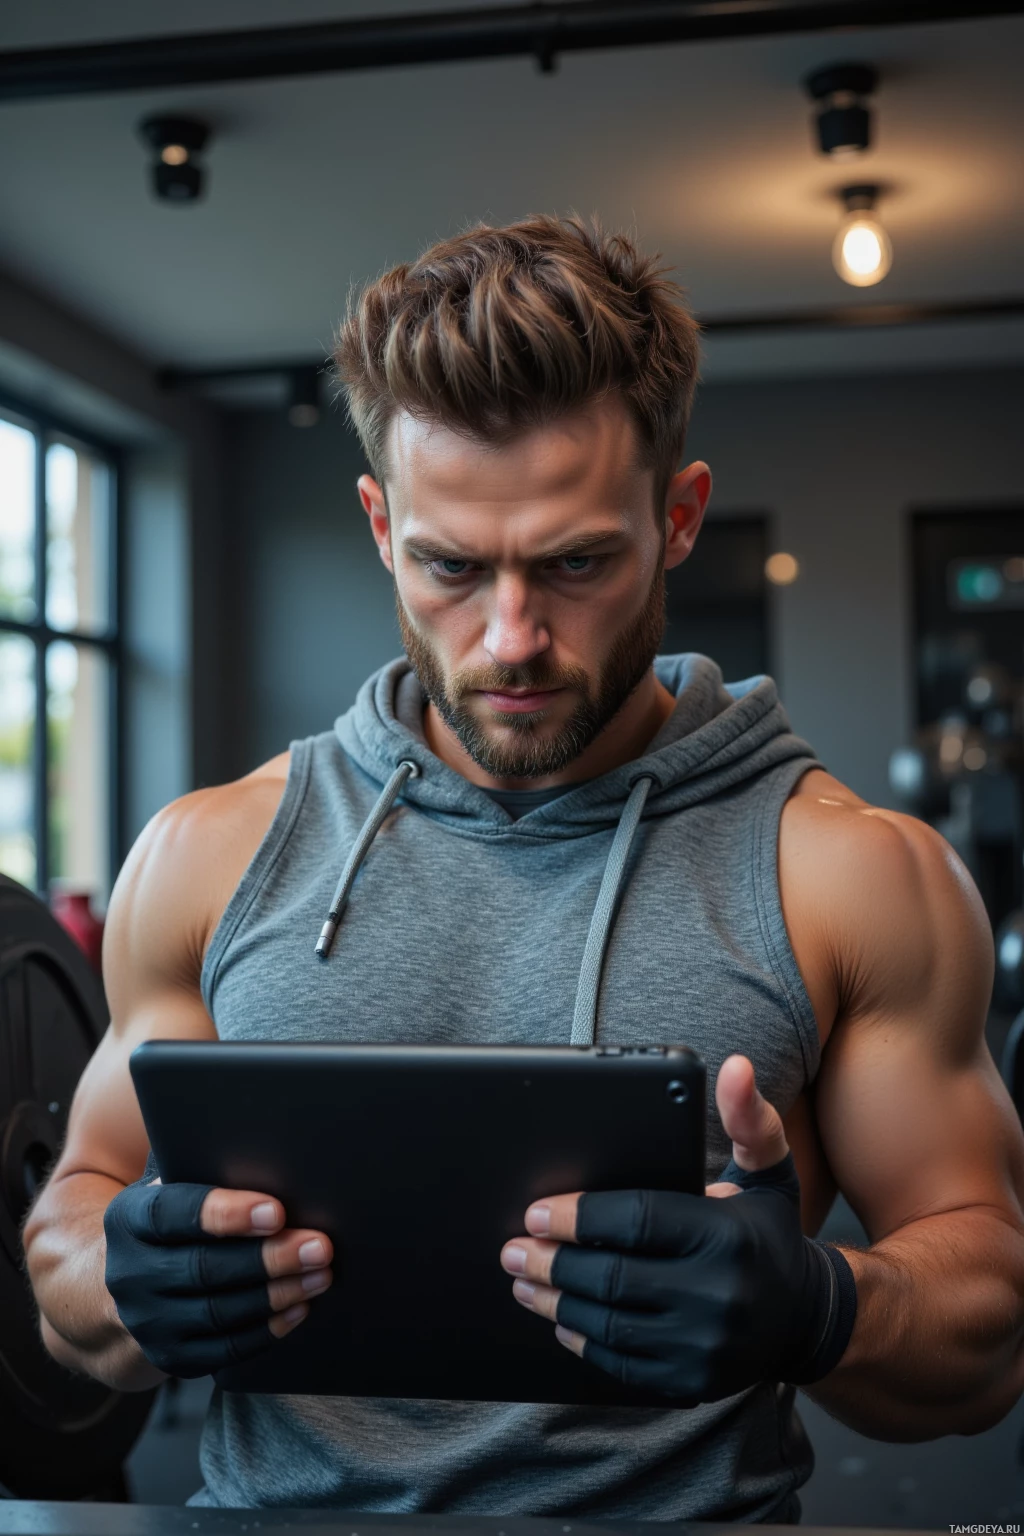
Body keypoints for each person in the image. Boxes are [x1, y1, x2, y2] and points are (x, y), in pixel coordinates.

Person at [24, 214, 1024, 1522]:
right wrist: (126, 1278)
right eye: (451, 566)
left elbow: (988, 1328)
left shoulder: (851, 875)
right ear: (382, 525)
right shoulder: (212, 853)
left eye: (575, 563)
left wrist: (820, 1304)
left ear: (677, 518)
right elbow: (69, 1251)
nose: (511, 638)